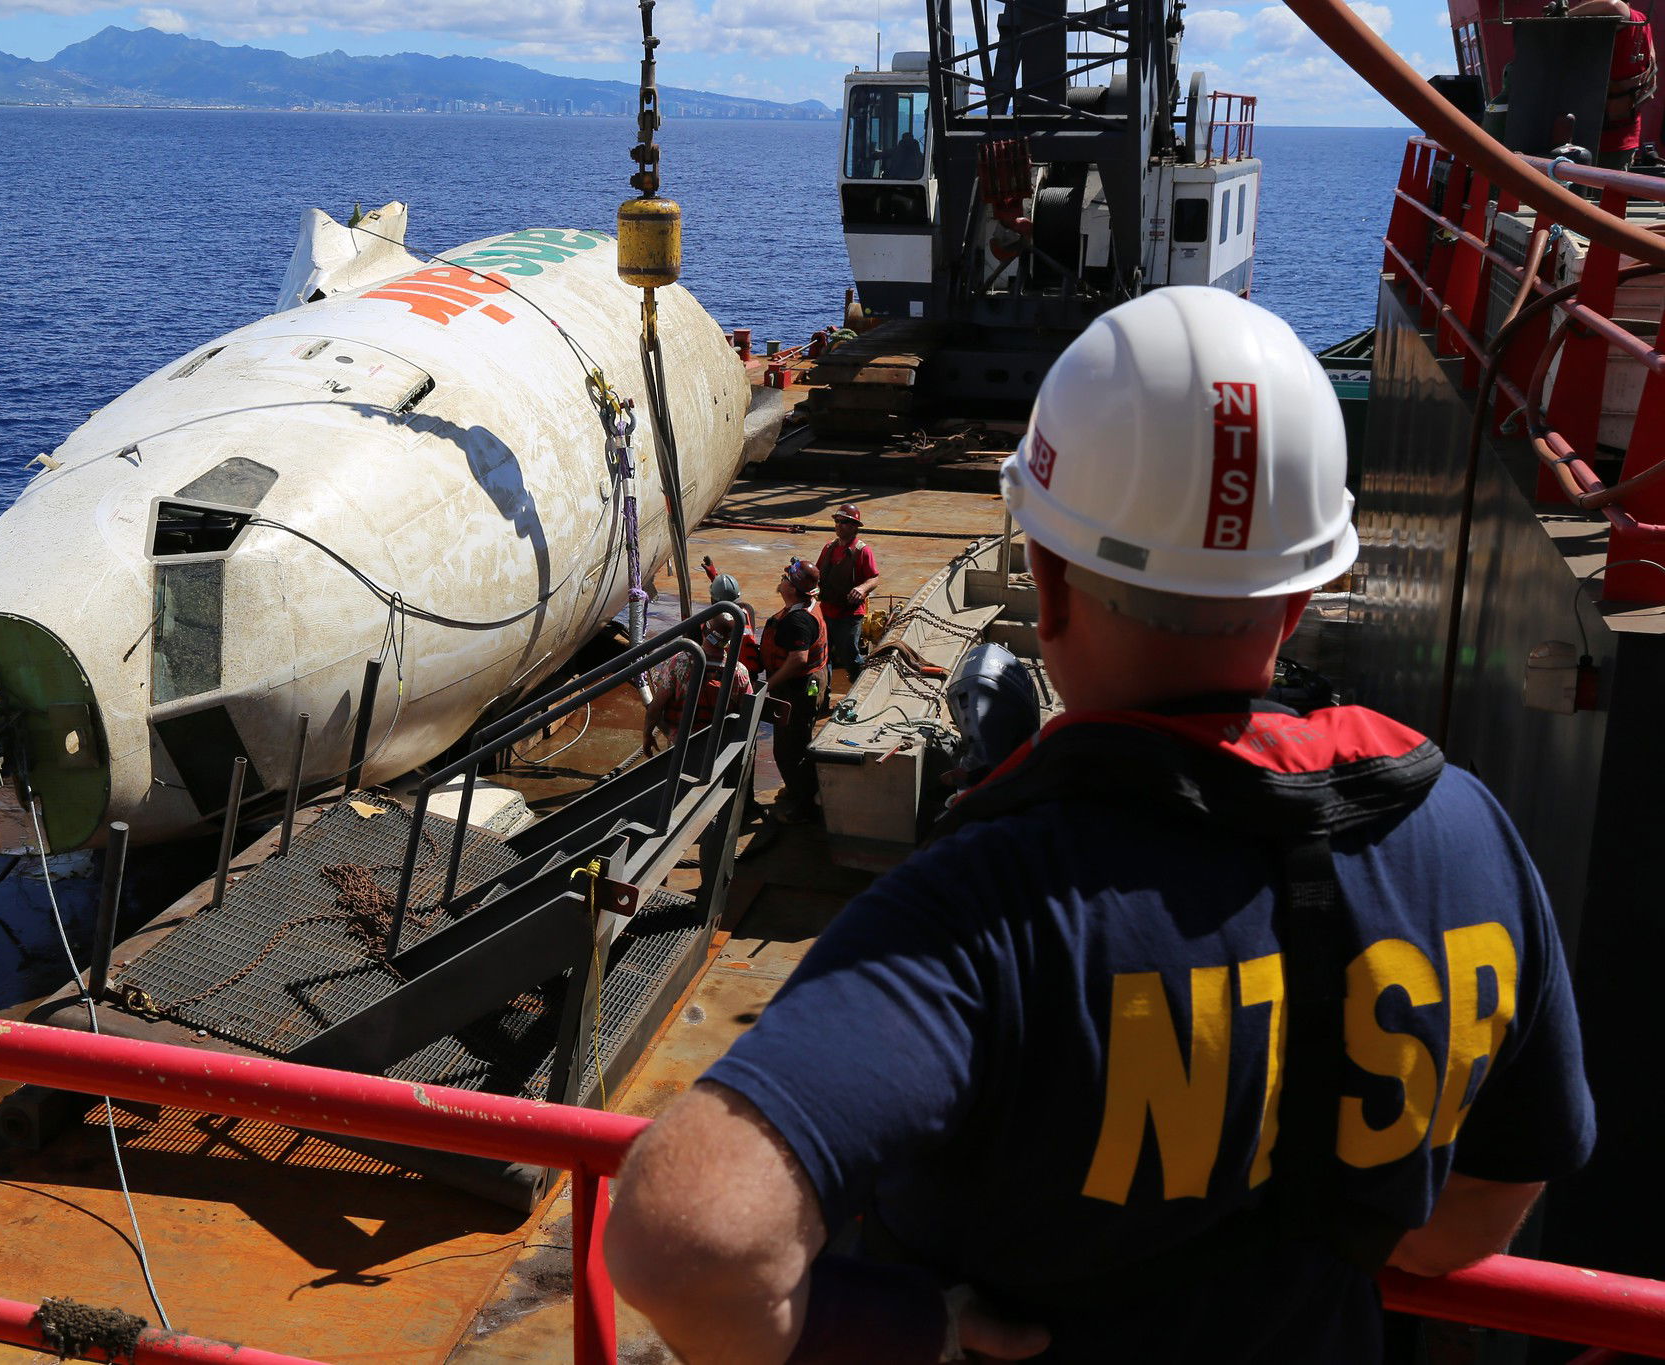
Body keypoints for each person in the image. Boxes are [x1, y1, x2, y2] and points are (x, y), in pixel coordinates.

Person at [605, 288, 1594, 1364]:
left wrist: (911, 1328)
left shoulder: (984, 909)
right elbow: (1469, 1224)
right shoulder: (1466, 834)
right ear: (1302, 593)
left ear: (1051, 580)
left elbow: (687, 1246)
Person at [760, 558, 829, 824]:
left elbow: (798, 659)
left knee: (787, 750)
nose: (782, 577)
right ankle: (801, 788)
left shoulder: (797, 621)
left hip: (797, 689)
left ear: (792, 588)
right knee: (801, 739)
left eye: (787, 577)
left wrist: (771, 683)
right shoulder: (807, 606)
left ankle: (805, 807)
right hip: (813, 682)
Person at [643, 613, 754, 757]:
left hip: (682, 744)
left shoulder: (680, 662)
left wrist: (647, 735)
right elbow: (747, 713)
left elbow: (655, 707)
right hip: (719, 749)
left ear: (704, 630)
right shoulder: (740, 672)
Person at [1574, 0, 1657, 169]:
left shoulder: (1625, 15)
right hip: (1622, 134)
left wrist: (1565, 16)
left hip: (1602, 140)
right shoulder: (1641, 20)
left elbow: (1614, 6)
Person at [814, 504, 880, 682]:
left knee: (849, 655)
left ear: (853, 526)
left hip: (849, 615)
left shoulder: (862, 551)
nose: (838, 525)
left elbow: (874, 578)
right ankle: (823, 694)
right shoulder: (828, 548)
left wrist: (862, 588)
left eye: (842, 522)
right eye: (836, 521)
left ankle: (859, 687)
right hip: (826, 611)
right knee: (822, 656)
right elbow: (817, 574)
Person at [704, 560, 765, 683]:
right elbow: (727, 601)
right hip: (748, 676)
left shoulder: (711, 622)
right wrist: (716, 579)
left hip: (724, 677)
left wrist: (716, 582)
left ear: (712, 599)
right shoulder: (748, 611)